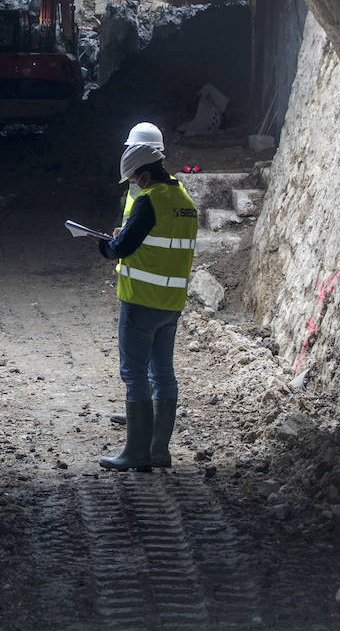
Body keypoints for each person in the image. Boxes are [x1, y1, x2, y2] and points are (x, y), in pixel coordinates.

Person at [89, 122, 198, 471]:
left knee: (135, 374)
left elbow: (123, 247)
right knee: (163, 373)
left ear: (143, 171)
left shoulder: (149, 201)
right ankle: (158, 450)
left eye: (135, 178)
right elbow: (160, 243)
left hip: (141, 302)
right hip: (171, 303)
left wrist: (104, 244)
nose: (134, 183)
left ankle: (136, 453)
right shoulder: (184, 200)